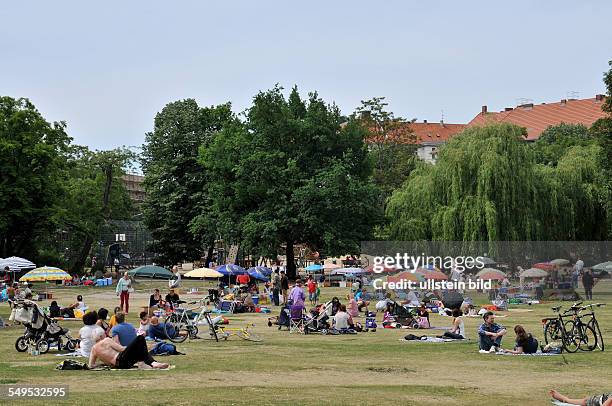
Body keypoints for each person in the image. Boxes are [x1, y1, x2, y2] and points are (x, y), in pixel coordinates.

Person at [88, 331, 169, 370]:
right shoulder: (106, 340)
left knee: (140, 350)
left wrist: (103, 363)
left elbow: (91, 365)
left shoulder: (94, 350)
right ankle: (146, 363)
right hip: (122, 359)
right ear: (102, 336)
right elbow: (122, 349)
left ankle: (153, 363)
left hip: (119, 365)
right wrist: (133, 346)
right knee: (140, 338)